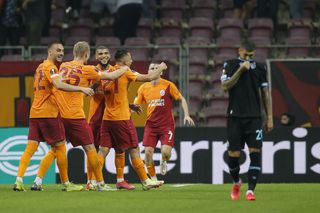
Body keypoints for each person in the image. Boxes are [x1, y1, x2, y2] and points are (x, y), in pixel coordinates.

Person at [32, 41, 129, 191]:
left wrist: (87, 88)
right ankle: (100, 184)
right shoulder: (87, 69)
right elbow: (112, 76)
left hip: (59, 114)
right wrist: (125, 68)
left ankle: (37, 181)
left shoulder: (63, 66)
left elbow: (62, 84)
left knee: (55, 149)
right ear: (87, 55)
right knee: (90, 148)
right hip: (76, 116)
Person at [13, 42, 94, 192]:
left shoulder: (40, 67)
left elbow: (51, 83)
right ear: (49, 52)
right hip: (48, 113)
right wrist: (81, 88)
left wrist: (60, 78)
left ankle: (19, 180)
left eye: (63, 50)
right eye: (58, 50)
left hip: (35, 113)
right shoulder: (50, 67)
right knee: (60, 146)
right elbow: (59, 85)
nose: (61, 53)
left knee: (30, 148)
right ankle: (66, 183)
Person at [98, 49, 167, 190]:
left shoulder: (108, 72)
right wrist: (160, 67)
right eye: (130, 58)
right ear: (123, 60)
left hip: (107, 118)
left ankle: (95, 181)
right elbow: (148, 78)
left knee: (106, 149)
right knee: (134, 148)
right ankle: (145, 180)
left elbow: (110, 94)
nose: (132, 61)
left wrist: (128, 104)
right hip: (121, 118)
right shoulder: (125, 70)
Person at [220, 40, 273, 201]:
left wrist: (269, 117)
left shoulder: (260, 68)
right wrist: (240, 71)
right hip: (235, 116)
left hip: (254, 117)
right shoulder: (230, 64)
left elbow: (265, 93)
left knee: (255, 153)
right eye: (245, 55)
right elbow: (225, 86)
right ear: (240, 50)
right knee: (233, 155)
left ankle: (250, 191)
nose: (248, 59)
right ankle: (237, 182)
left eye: (251, 56)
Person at [86, 46, 137, 191]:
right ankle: (90, 181)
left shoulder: (115, 69)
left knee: (120, 148)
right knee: (93, 149)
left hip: (113, 116)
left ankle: (120, 180)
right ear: (96, 56)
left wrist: (129, 105)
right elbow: (88, 90)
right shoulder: (93, 71)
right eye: (100, 53)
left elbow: (118, 93)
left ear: (110, 56)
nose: (104, 56)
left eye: (106, 53)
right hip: (96, 116)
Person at [133, 63, 195, 182]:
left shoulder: (168, 85)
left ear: (161, 72)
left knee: (165, 152)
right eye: (152, 68)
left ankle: (164, 161)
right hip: (151, 125)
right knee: (147, 154)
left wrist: (186, 115)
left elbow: (181, 99)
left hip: (166, 125)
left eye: (157, 68)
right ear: (148, 72)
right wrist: (130, 110)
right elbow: (136, 104)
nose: (154, 70)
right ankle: (154, 179)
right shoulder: (143, 88)